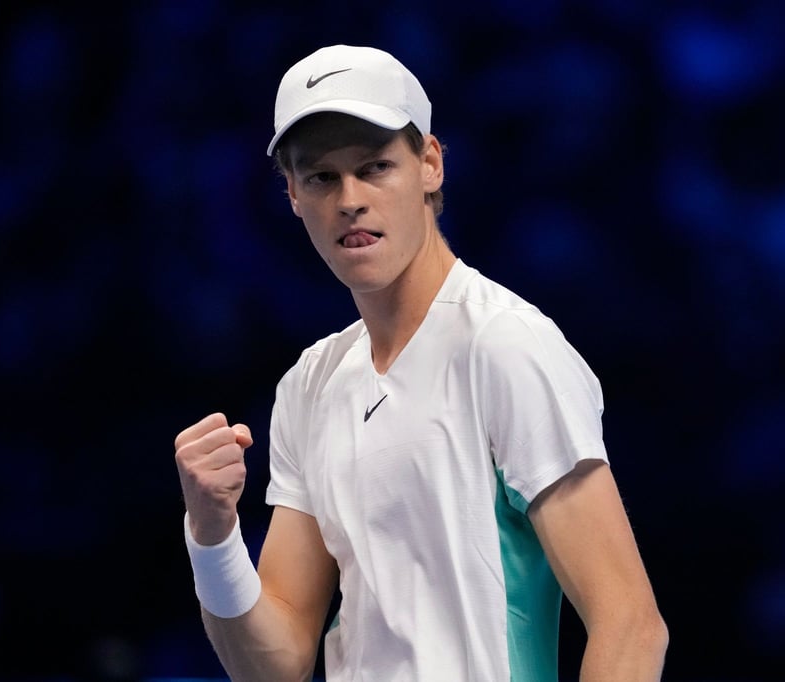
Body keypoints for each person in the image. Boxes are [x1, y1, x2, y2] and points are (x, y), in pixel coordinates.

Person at [174, 44, 668, 681]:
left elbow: (629, 623)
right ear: (293, 194)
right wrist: (212, 535)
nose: (350, 198)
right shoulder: (309, 384)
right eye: (322, 177)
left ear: (430, 164)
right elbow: (277, 664)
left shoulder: (505, 344)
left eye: (375, 167)